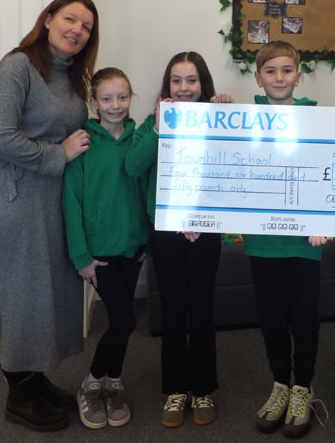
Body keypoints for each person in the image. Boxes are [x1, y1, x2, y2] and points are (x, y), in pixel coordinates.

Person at [0, 0, 99, 432]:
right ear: (48, 19)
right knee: (19, 295)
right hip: (13, 199)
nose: (77, 30)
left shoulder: (71, 75)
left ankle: (34, 379)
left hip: (50, 199)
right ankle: (18, 395)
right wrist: (57, 154)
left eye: (86, 26)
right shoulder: (18, 66)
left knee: (45, 294)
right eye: (70, 19)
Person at [124, 51, 232, 429]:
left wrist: (229, 113)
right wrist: (158, 127)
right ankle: (175, 389)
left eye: (191, 80)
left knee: (201, 309)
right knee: (172, 309)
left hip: (205, 229)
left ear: (203, 84)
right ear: (167, 85)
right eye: (176, 80)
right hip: (166, 229)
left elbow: (234, 166)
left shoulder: (219, 118)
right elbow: (133, 166)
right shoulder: (152, 121)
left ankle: (202, 389)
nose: (184, 87)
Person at [247, 41, 330, 438]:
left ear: (298, 76)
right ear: (258, 77)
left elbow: (328, 171)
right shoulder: (244, 120)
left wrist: (324, 219)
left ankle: (303, 389)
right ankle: (280, 384)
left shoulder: (318, 119)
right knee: (272, 319)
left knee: (305, 319)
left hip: (305, 244)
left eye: (286, 70)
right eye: (270, 71)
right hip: (262, 243)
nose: (279, 78)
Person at [63, 67, 150, 430]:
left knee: (120, 322)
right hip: (99, 254)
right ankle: (91, 383)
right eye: (107, 98)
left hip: (132, 247)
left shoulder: (139, 139)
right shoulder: (83, 143)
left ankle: (114, 384)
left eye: (122, 97)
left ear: (131, 98)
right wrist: (81, 257)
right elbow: (71, 203)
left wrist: (146, 239)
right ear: (94, 101)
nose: (115, 105)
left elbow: (147, 190)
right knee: (126, 320)